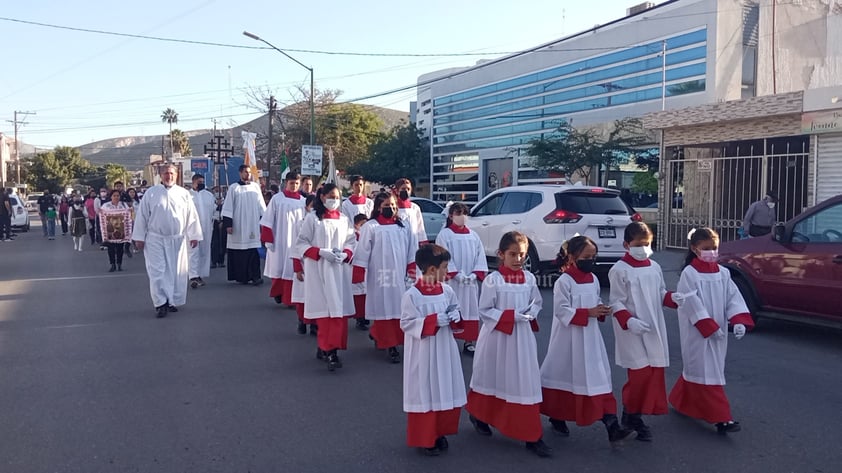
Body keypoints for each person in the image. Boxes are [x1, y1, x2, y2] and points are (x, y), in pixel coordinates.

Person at [466, 231, 552, 458]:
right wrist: (511, 316)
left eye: (522, 254)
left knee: (525, 382)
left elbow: (537, 302)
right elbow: (484, 311)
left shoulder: (531, 278)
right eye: (512, 254)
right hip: (497, 339)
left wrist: (532, 312)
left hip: (522, 339)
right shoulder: (494, 280)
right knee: (493, 378)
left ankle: (532, 435)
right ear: (501, 254)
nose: (518, 259)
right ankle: (480, 414)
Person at [669, 227, 754, 434]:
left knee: (700, 369)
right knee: (709, 372)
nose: (711, 252)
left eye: (714, 248)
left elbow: (732, 297)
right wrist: (708, 326)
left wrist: (738, 320)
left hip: (719, 332)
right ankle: (722, 418)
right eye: (706, 248)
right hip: (697, 332)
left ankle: (679, 400)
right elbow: (690, 302)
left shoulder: (723, 273)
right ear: (694, 249)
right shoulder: (690, 273)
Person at [608, 222, 678, 441]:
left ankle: (634, 416)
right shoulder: (619, 269)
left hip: (653, 327)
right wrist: (629, 322)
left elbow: (660, 293)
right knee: (639, 373)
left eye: (647, 244)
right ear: (626, 244)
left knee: (652, 373)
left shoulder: (655, 267)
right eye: (638, 244)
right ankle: (630, 413)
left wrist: (673, 298)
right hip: (631, 329)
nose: (644, 248)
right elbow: (616, 302)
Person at [401, 244, 466, 456]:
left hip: (445, 349)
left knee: (443, 387)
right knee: (425, 390)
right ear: (431, 270)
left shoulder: (447, 291)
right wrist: (432, 321)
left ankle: (440, 432)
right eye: (445, 267)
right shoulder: (412, 295)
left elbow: (454, 308)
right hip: (424, 351)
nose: (448, 272)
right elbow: (407, 323)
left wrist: (456, 315)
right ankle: (425, 438)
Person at [295, 183, 356, 371]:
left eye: (337, 197)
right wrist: (320, 252)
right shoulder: (313, 219)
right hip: (319, 270)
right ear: (322, 197)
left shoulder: (345, 219)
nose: (334, 200)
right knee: (325, 313)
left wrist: (346, 253)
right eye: (331, 196)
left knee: (338, 312)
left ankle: (332, 349)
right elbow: (301, 243)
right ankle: (328, 350)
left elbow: (351, 241)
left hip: (339, 271)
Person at [352, 192, 418, 363]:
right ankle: (390, 345)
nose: (392, 208)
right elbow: (362, 252)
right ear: (379, 208)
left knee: (399, 308)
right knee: (383, 308)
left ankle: (388, 337)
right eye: (387, 206)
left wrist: (412, 270)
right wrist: (358, 273)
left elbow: (412, 249)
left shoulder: (404, 225)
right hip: (379, 275)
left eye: (394, 205)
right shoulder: (371, 227)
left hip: (399, 275)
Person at [133, 164, 202, 318]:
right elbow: (142, 216)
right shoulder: (151, 193)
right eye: (165, 173)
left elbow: (192, 215)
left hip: (177, 239)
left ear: (176, 175)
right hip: (155, 239)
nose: (168, 176)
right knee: (157, 272)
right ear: (160, 175)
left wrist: (194, 235)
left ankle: (171, 300)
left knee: (175, 273)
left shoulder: (183, 194)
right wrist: (139, 237)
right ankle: (160, 303)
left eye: (171, 173)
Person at [435, 202, 487, 355]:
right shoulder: (444, 235)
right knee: (451, 309)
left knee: (470, 310)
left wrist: (474, 274)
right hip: (452, 282)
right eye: (458, 213)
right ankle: (448, 341)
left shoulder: (473, 235)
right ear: (451, 216)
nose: (462, 216)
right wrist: (455, 274)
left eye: (464, 213)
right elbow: (443, 256)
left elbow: (480, 256)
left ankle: (468, 342)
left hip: (469, 283)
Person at [260, 172, 306, 303]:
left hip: (296, 240)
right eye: (292, 183)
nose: (294, 186)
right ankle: (278, 293)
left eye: (297, 183)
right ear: (286, 183)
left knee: (293, 268)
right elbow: (268, 219)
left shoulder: (303, 202)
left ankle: (291, 298)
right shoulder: (277, 199)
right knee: (279, 267)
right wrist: (268, 239)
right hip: (280, 240)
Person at [222, 165, 267, 286]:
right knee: (240, 252)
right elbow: (227, 208)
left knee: (253, 251)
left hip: (252, 224)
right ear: (240, 173)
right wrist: (228, 224)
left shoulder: (255, 187)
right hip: (238, 225)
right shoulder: (234, 188)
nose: (248, 175)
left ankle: (255, 276)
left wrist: (264, 221)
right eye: (245, 172)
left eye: (249, 172)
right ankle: (242, 276)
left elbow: (261, 206)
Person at [290, 195, 318, 335]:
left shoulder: (321, 223)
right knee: (302, 296)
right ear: (306, 207)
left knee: (315, 296)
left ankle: (314, 324)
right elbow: (295, 246)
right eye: (311, 206)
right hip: (303, 264)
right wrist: (297, 268)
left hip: (316, 265)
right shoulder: (299, 224)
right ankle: (302, 320)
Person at [189, 174, 216, 288]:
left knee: (204, 251)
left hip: (206, 227)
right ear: (194, 182)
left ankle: (200, 274)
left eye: (203, 181)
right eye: (199, 181)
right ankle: (193, 276)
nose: (201, 183)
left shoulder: (209, 195)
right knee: (193, 251)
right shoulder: (187, 195)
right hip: (192, 228)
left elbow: (213, 210)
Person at [100, 189, 131, 272]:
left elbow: (128, 215)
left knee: (120, 248)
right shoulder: (106, 206)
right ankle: (112, 264)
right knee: (111, 249)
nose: (116, 197)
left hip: (121, 229)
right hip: (110, 230)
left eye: (118, 196)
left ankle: (119, 264)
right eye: (114, 196)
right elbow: (102, 214)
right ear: (111, 197)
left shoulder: (124, 205)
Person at [394, 178, 428, 245]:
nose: (406, 191)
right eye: (403, 189)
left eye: (408, 189)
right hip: (398, 241)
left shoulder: (415, 207)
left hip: (413, 241)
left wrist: (422, 242)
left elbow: (420, 227)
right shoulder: (393, 207)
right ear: (397, 191)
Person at [351, 214, 370, 331]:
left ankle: (364, 316)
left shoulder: (367, 236)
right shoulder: (352, 237)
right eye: (361, 225)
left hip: (367, 270)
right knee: (358, 296)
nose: (363, 227)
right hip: (356, 269)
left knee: (366, 295)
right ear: (356, 225)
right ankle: (359, 318)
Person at [210, 189, 226, 268]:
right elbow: (210, 213)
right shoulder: (212, 204)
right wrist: (216, 204)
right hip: (214, 223)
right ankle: (214, 261)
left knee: (222, 243)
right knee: (214, 243)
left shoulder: (225, 204)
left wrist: (222, 221)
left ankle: (221, 261)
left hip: (222, 224)